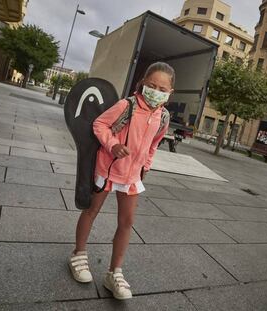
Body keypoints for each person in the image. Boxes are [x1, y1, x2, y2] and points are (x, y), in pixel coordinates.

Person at [68, 62, 175, 300]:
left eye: (161, 87)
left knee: (127, 222)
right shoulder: (126, 105)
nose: (155, 90)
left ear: (170, 92)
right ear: (142, 83)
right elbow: (99, 124)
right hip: (108, 169)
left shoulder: (163, 116)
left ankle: (114, 272)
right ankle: (78, 255)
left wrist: (146, 165)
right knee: (90, 211)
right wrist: (113, 145)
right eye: (151, 85)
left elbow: (154, 144)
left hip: (132, 176)